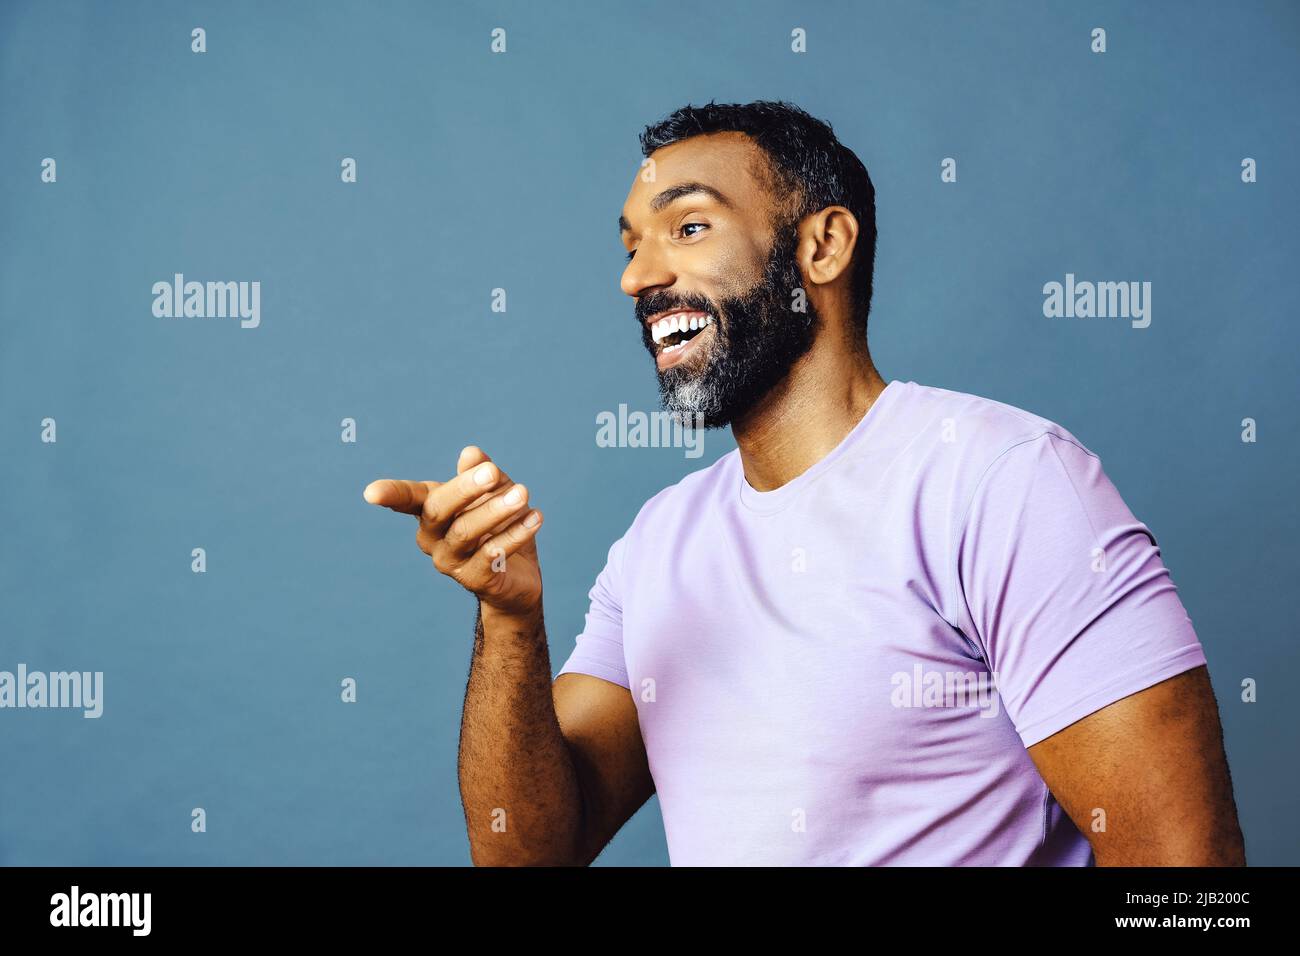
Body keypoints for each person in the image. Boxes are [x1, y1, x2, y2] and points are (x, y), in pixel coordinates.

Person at [364, 100, 1245, 866]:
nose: (638, 277)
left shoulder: (1006, 482)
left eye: (689, 228)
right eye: (632, 246)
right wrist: (511, 620)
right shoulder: (659, 541)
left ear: (822, 246)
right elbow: (528, 851)